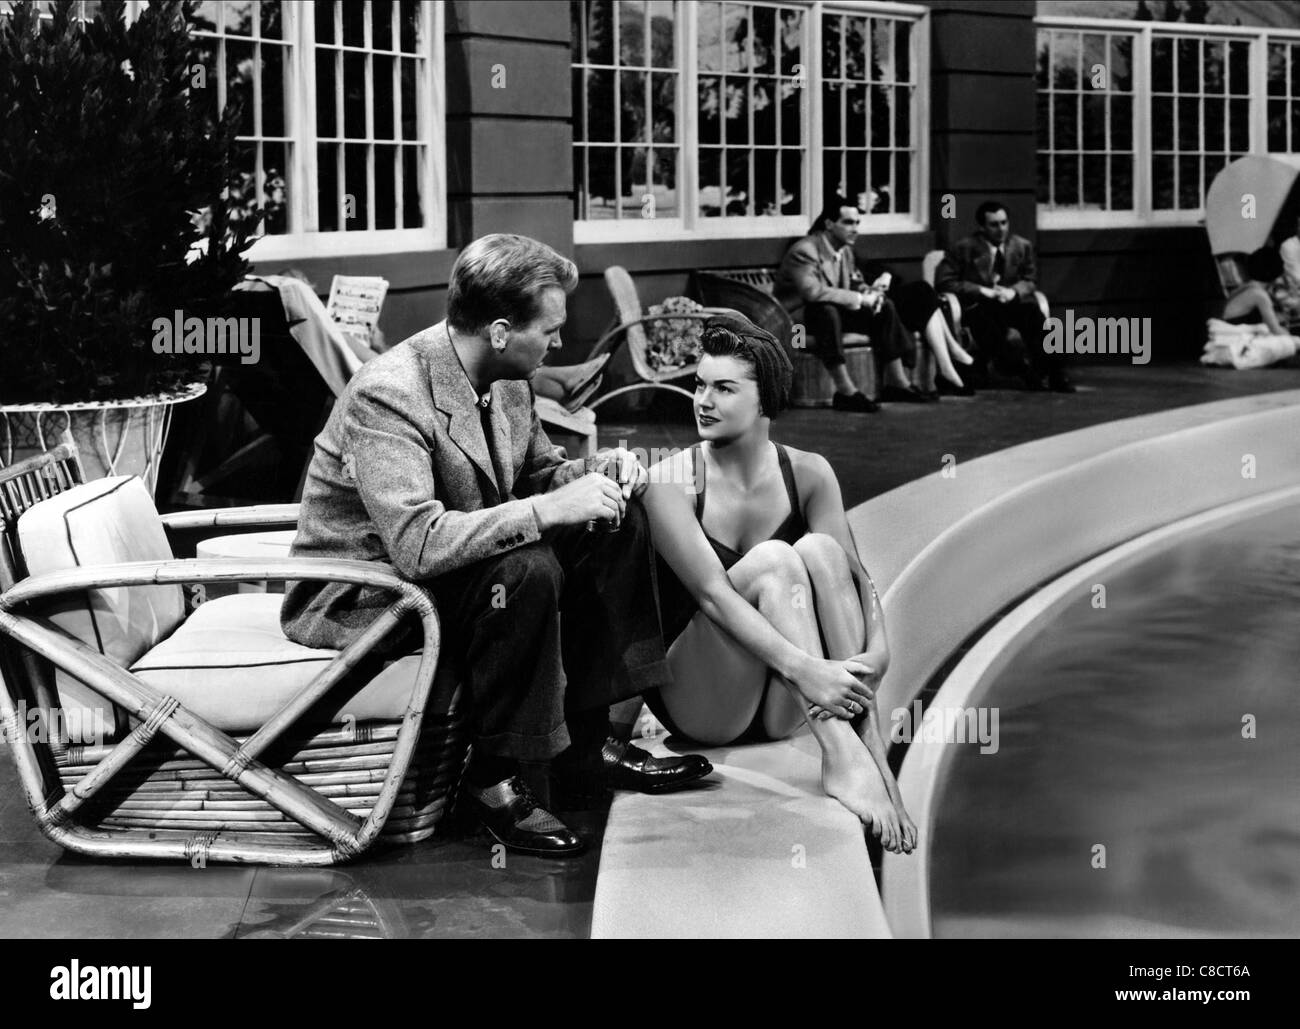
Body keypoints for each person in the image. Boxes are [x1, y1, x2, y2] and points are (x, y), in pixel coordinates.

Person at [280, 233, 712, 858]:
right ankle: (494, 781)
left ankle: (587, 751)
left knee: (619, 519)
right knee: (528, 568)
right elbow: (416, 544)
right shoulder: (390, 392)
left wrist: (595, 475)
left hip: (462, 565)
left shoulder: (507, 377)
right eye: (552, 330)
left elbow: (538, 474)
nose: (560, 344)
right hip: (366, 590)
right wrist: (545, 508)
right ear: (503, 330)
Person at [641, 313, 918, 854]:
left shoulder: (810, 472)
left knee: (819, 550)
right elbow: (712, 597)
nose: (703, 399)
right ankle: (842, 756)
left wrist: (880, 650)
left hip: (782, 708)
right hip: (704, 704)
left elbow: (858, 581)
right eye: (699, 384)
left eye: (724, 388)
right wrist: (809, 669)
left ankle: (871, 748)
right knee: (775, 561)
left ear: (764, 398)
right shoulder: (668, 482)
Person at [774, 195, 930, 412]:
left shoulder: (844, 250)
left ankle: (898, 382)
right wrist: (858, 299)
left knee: (884, 307)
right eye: (848, 222)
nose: (855, 229)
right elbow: (812, 292)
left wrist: (870, 295)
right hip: (795, 324)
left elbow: (854, 282)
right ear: (829, 224)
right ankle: (845, 391)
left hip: (830, 314)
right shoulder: (805, 250)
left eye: (857, 223)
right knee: (825, 310)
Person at [936, 201, 1075, 393]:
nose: (1001, 229)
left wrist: (1014, 291)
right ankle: (1021, 370)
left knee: (1034, 314)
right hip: (979, 305)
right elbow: (944, 282)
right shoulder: (963, 248)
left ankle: (1055, 373)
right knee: (986, 324)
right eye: (994, 225)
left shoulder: (1021, 246)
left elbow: (1030, 279)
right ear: (982, 227)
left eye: (1004, 223)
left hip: (1009, 302)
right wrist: (981, 290)